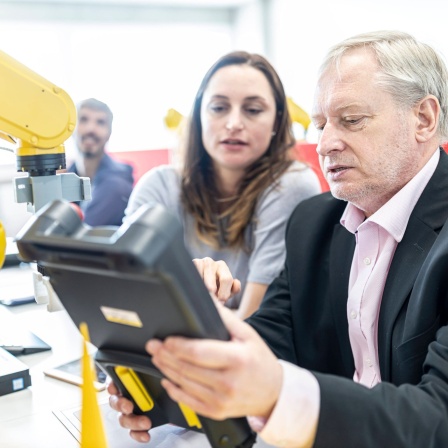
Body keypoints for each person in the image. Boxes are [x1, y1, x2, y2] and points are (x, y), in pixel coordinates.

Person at [109, 30, 448, 447]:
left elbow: (438, 419)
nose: (324, 144)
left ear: (424, 119)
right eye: (320, 124)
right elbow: (268, 345)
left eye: (352, 120)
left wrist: (276, 393)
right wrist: (165, 386)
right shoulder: (314, 224)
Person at [124, 51, 321, 319]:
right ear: (198, 116)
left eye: (252, 110)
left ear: (277, 120)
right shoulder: (158, 185)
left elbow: (254, 321)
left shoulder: (291, 185)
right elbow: (127, 296)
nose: (233, 124)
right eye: (218, 107)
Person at [67, 98, 134, 226]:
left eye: (100, 122)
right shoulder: (69, 175)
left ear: (109, 133)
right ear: (71, 128)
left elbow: (81, 240)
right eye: (83, 119)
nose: (91, 129)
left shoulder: (116, 185)